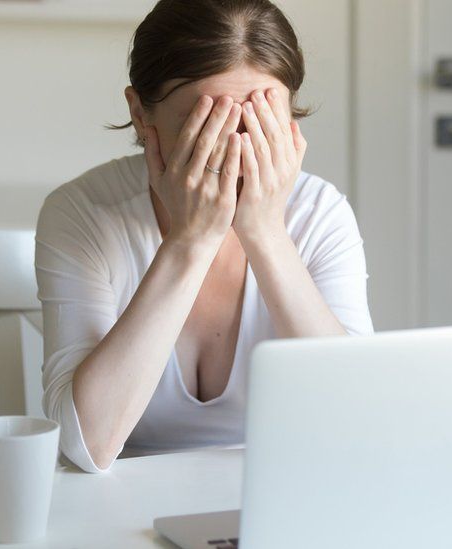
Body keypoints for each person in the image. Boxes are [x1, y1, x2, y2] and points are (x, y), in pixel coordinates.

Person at [35, 0, 373, 473]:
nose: (233, 150)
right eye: (204, 126)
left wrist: (266, 233)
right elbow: (87, 446)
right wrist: (189, 242)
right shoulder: (83, 213)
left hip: (280, 491)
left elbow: (361, 423)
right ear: (140, 114)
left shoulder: (320, 214)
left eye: (257, 125)